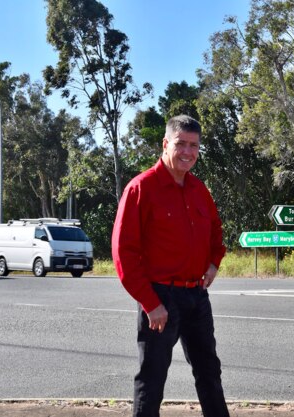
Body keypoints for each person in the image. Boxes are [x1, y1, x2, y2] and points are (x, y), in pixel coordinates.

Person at [112, 115, 229, 417]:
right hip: (160, 299)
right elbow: (124, 253)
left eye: (194, 145)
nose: (188, 152)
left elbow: (216, 231)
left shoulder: (199, 190)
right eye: (181, 144)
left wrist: (215, 261)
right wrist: (151, 304)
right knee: (151, 381)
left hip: (196, 297)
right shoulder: (141, 189)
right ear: (166, 144)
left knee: (209, 374)